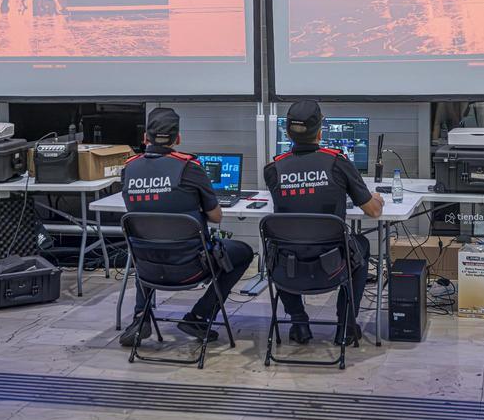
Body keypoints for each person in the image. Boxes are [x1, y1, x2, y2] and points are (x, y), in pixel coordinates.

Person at [119, 108, 254, 347]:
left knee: (148, 242)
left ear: (145, 138)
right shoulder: (190, 168)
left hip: (148, 269)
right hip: (189, 267)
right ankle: (199, 317)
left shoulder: (129, 169)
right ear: (178, 138)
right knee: (242, 252)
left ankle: (141, 317)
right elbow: (215, 216)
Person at [264, 100, 384, 346]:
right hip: (332, 267)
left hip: (289, 269)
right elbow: (372, 211)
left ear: (287, 133)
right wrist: (376, 199)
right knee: (360, 244)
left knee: (274, 250)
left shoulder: (273, 169)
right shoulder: (337, 162)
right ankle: (345, 326)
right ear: (320, 131)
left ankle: (299, 323)